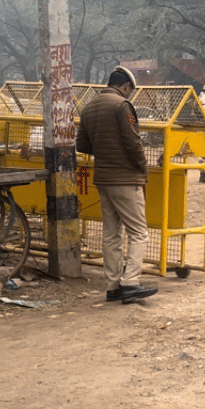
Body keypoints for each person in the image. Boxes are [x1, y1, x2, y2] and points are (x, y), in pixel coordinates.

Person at [75, 66, 158, 305]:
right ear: (124, 87)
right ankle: (130, 283)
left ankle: (113, 287)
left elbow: (82, 144)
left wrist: (104, 149)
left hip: (103, 179)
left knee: (111, 234)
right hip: (125, 178)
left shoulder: (89, 107)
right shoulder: (122, 106)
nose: (129, 95)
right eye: (129, 91)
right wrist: (143, 169)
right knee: (139, 232)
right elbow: (133, 142)